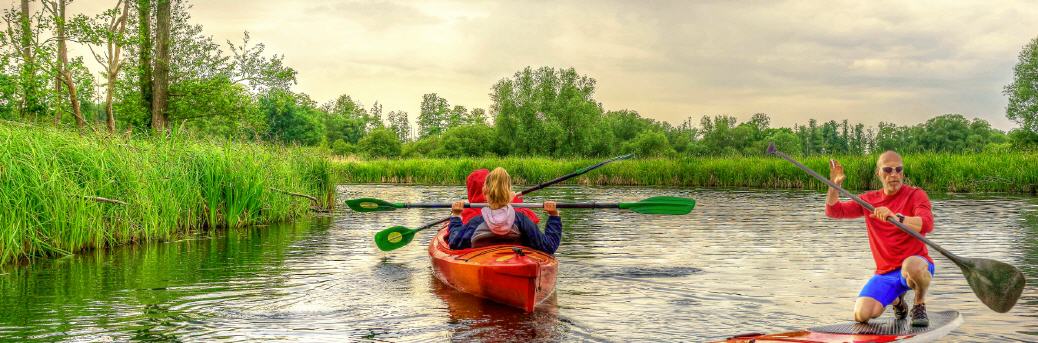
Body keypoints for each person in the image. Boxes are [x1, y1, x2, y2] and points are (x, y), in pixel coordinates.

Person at [826, 151, 935, 327]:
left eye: (898, 169)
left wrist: (897, 217)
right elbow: (834, 211)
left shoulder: (916, 195)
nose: (894, 174)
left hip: (917, 265)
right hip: (885, 273)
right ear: (878, 173)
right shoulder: (868, 200)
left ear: (903, 173)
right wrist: (834, 186)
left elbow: (928, 224)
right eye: (888, 169)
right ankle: (898, 302)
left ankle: (919, 304)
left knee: (911, 265)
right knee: (861, 315)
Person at [448, 167, 563, 254]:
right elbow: (549, 246)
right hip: (515, 261)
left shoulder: (476, 222)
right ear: (510, 194)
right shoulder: (521, 220)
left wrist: (456, 217)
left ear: (484, 192)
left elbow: (454, 243)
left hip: (483, 261)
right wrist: (554, 216)